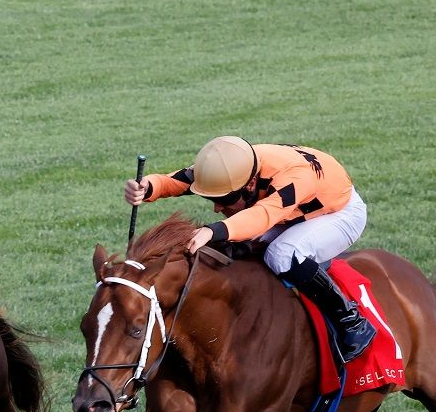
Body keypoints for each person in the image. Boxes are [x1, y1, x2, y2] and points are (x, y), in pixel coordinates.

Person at [124, 135, 377, 363]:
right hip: (292, 208)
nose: (216, 208)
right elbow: (186, 179)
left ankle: (351, 322)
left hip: (338, 213)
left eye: (223, 201)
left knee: (281, 254)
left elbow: (265, 215)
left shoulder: (293, 178)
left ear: (251, 183)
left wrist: (213, 230)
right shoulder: (235, 164)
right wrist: (151, 186)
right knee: (233, 242)